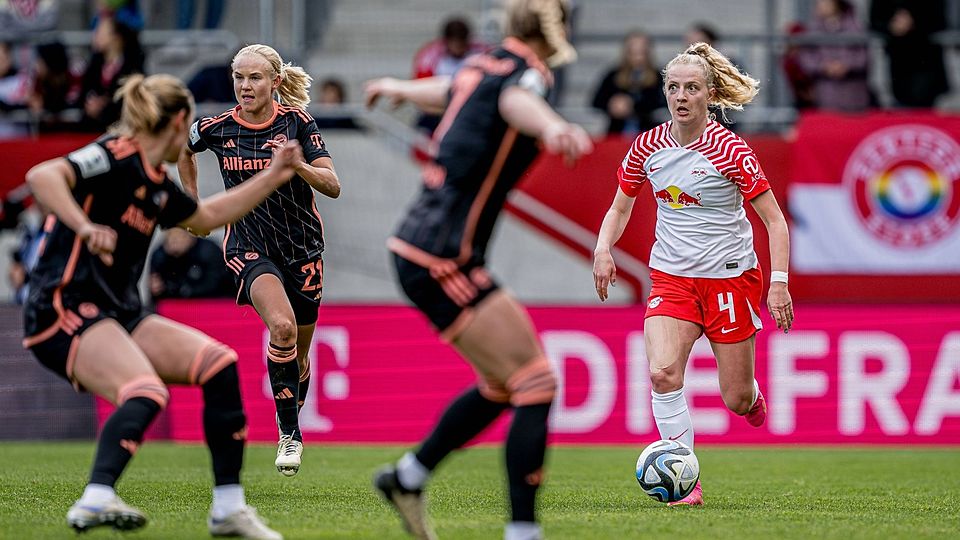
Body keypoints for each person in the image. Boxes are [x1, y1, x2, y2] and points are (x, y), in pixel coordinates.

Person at [22, 73, 296, 538]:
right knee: (146, 392)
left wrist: (274, 175)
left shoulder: (157, 184)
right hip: (62, 306)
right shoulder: (113, 154)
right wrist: (84, 228)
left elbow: (206, 217)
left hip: (119, 312)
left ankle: (228, 509)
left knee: (220, 365)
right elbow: (42, 176)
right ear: (178, 121)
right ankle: (95, 497)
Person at [364, 1, 591, 538]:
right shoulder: (526, 74)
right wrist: (556, 126)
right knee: (536, 380)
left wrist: (398, 86)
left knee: (502, 384)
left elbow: (448, 90)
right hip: (443, 254)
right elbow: (518, 102)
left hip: (422, 244)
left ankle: (408, 476)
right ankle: (522, 533)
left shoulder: (479, 65)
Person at [593, 42, 794, 507]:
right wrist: (604, 248)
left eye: (692, 88)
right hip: (671, 278)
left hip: (729, 280)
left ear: (709, 94)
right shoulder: (647, 145)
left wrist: (778, 281)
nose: (681, 96)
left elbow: (774, 220)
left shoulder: (731, 151)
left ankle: (752, 397)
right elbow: (621, 206)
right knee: (663, 374)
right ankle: (686, 479)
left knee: (735, 399)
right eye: (673, 87)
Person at [178, 43, 341, 477]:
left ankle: (289, 409)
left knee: (299, 358)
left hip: (303, 249)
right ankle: (290, 435)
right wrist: (192, 207)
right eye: (239, 77)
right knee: (282, 327)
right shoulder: (216, 127)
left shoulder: (297, 122)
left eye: (254, 78)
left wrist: (296, 166)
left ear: (274, 82)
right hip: (248, 246)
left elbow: (332, 184)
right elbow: (183, 148)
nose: (245, 86)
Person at [411, 16, 487, 135]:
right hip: (437, 112)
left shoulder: (481, 55)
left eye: (461, 43)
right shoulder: (430, 58)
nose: (458, 48)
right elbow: (421, 93)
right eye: (455, 43)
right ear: (447, 41)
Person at [869, 0, 949, 108]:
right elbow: (874, 21)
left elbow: (940, 20)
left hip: (925, 61)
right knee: (902, 104)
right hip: (898, 62)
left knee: (923, 106)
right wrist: (891, 26)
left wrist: (913, 21)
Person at [795, 0, 871, 112]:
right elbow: (805, 59)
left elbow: (864, 57)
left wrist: (846, 66)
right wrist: (823, 66)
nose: (821, 6)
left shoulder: (856, 28)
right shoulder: (812, 30)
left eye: (826, 3)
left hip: (853, 96)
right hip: (826, 95)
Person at [78, 12, 145, 132]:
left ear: (116, 37)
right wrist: (90, 104)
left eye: (100, 32)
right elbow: (83, 93)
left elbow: (133, 97)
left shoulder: (133, 66)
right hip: (91, 129)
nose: (96, 36)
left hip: (122, 129)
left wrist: (104, 106)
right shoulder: (94, 64)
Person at [590, 30, 665, 137]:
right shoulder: (613, 75)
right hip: (617, 132)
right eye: (633, 52)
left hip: (647, 133)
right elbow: (596, 101)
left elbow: (662, 105)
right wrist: (611, 105)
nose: (637, 57)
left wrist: (633, 106)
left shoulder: (659, 76)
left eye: (641, 52)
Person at [148, 227, 233, 301]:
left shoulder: (208, 251)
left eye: (179, 237)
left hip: (212, 302)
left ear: (190, 237)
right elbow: (156, 289)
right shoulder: (160, 256)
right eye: (171, 238)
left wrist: (186, 290)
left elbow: (218, 283)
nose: (174, 243)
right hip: (175, 305)